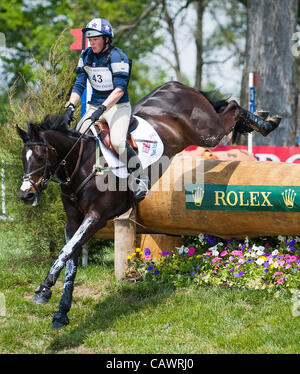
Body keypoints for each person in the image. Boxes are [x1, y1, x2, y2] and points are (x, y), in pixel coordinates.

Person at [64, 18, 149, 200]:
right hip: (96, 106)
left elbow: (119, 90)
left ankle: (140, 176)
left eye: (95, 38)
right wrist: (70, 106)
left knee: (117, 142)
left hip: (118, 106)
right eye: (90, 38)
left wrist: (102, 108)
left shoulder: (118, 56)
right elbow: (79, 84)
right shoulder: (86, 56)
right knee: (78, 136)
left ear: (106, 39)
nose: (91, 42)